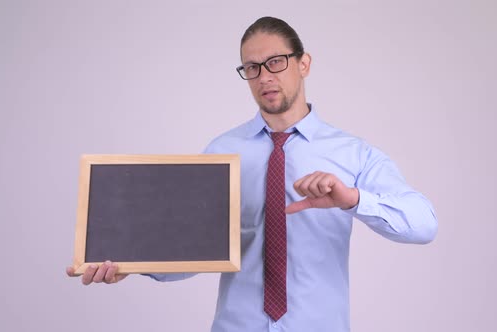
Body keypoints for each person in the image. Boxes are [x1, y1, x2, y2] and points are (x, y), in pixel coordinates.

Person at [67, 16, 438, 331]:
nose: (264, 77)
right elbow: (188, 252)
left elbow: (423, 225)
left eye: (276, 62)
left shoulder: (353, 153)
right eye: (252, 68)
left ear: (303, 64)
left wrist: (351, 199)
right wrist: (131, 264)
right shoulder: (221, 153)